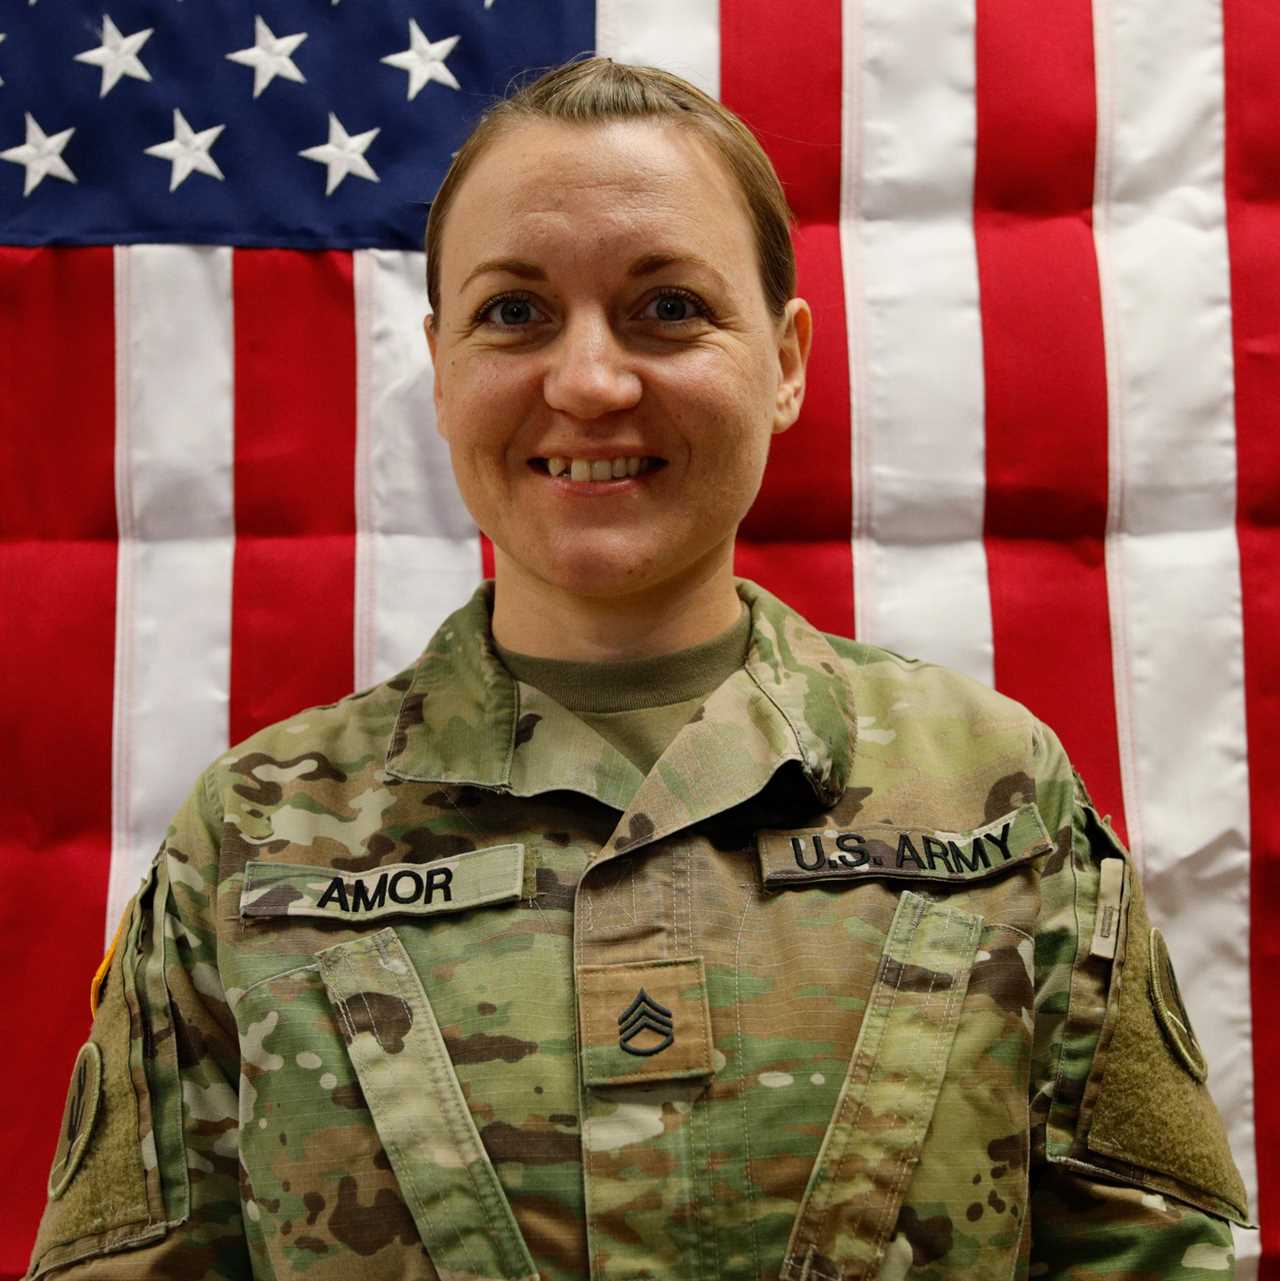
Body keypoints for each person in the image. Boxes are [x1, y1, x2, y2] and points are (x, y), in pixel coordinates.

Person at [28, 56, 1247, 1281]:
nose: (591, 381)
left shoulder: (991, 796)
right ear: (439, 364)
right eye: (514, 312)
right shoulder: (258, 835)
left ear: (783, 362)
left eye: (667, 308)